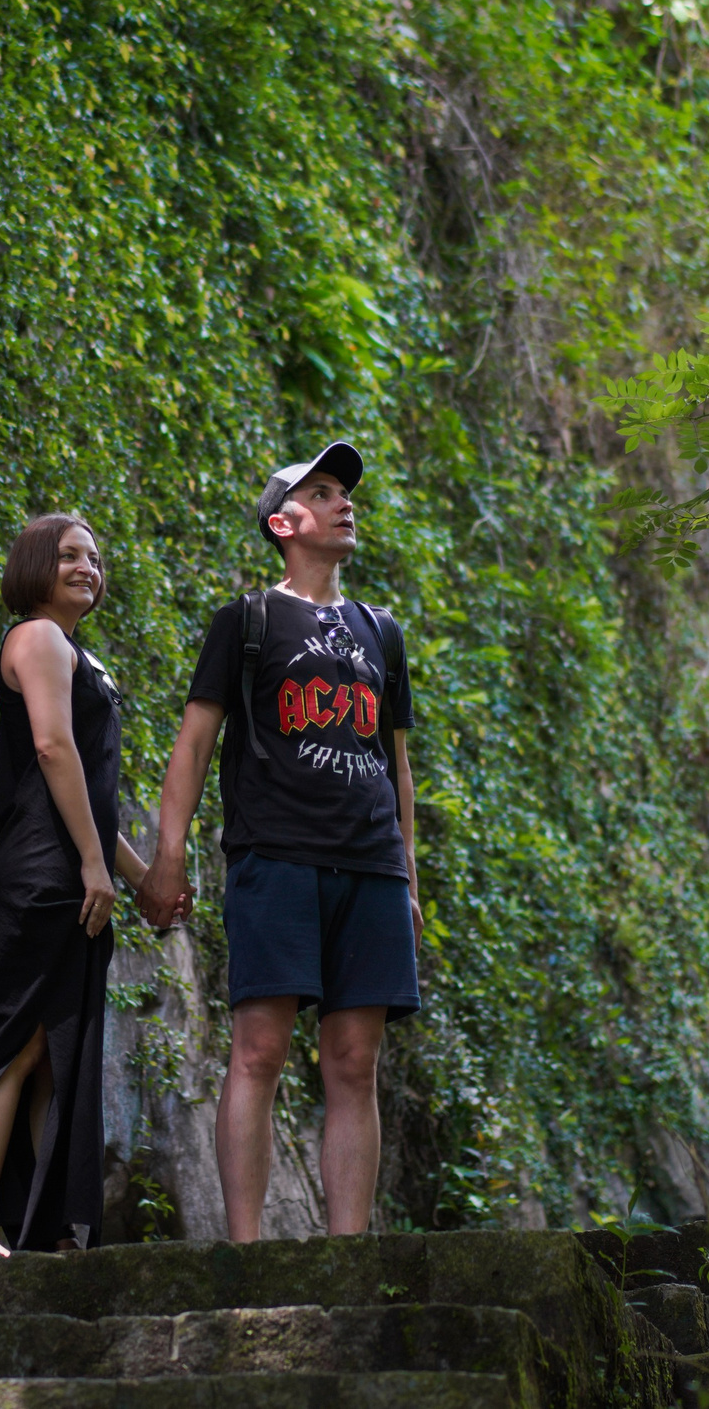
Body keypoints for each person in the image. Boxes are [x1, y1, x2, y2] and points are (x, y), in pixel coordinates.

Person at [141, 442, 419, 1242]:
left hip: (370, 864)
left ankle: (347, 1253)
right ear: (282, 522)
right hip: (275, 855)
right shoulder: (248, 621)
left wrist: (408, 878)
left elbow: (397, 765)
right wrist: (168, 854)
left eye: (345, 493)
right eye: (322, 492)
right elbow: (195, 743)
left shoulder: (382, 632)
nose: (343, 503)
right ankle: (247, 1251)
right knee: (259, 1049)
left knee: (354, 1061)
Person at [0, 513, 188, 1255]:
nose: (88, 567)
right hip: (43, 871)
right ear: (35, 567)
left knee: (54, 1049)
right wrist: (89, 863)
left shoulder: (75, 652)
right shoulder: (37, 636)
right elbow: (52, 750)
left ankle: (38, 1226)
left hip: (69, 865)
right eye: (70, 555)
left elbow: (88, 790)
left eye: (95, 557)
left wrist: (139, 880)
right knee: (20, 1041)